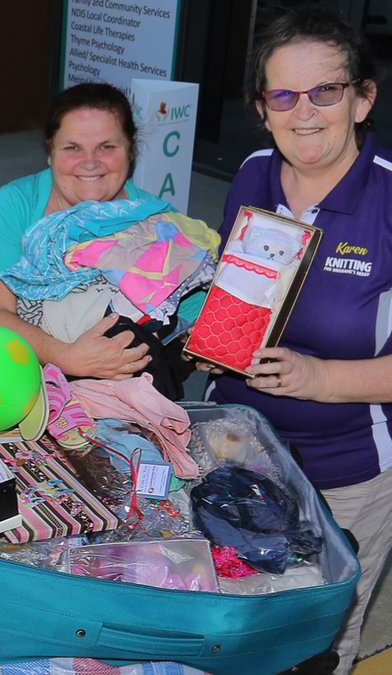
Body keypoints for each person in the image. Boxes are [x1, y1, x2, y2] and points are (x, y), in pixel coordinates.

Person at [201, 8, 388, 673]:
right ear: (262, 107)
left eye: (326, 91)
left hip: (347, 470)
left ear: (363, 98)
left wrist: (323, 379)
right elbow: (243, 290)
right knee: (231, 609)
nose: (303, 112)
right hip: (236, 442)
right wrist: (215, 338)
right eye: (283, 94)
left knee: (315, 637)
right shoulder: (253, 173)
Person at [0, 83, 164, 380]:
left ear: (130, 150)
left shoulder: (158, 221)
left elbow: (190, 323)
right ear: (50, 151)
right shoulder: (17, 204)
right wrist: (65, 356)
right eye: (73, 148)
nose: (90, 162)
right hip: (22, 376)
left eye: (106, 147)